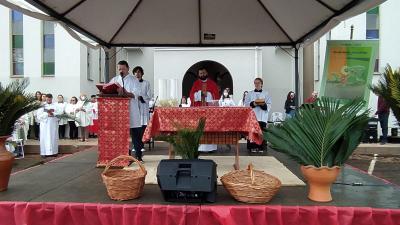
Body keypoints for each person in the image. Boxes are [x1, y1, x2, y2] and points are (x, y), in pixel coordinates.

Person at [110, 60, 143, 162]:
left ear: (128, 68)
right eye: (119, 69)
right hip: (119, 112)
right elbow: (109, 91)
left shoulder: (134, 80)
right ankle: (125, 155)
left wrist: (126, 92)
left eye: (123, 69)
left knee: (136, 135)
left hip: (132, 111)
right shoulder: (115, 80)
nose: (121, 71)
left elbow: (136, 94)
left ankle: (138, 155)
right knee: (121, 136)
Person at [189, 67, 219, 152]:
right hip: (198, 110)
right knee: (198, 127)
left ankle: (211, 148)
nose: (202, 74)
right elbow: (191, 95)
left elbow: (216, 95)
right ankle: (198, 147)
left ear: (207, 73)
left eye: (204, 73)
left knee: (209, 127)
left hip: (209, 110)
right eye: (200, 73)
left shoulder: (212, 83)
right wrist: (200, 94)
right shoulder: (196, 83)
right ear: (198, 74)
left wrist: (208, 94)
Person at [245, 78, 272, 152]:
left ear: (261, 84)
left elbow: (269, 105)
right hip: (253, 117)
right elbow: (246, 105)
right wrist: (253, 103)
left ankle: (261, 147)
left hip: (262, 116)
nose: (256, 84)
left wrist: (262, 104)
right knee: (253, 132)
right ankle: (252, 147)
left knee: (261, 133)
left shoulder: (266, 94)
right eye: (255, 83)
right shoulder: (250, 94)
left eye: (258, 83)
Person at [133, 66, 152, 153]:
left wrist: (142, 98)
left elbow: (149, 95)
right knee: (135, 127)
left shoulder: (146, 83)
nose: (137, 74)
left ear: (142, 73)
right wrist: (137, 97)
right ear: (134, 73)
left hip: (143, 107)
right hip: (135, 107)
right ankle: (135, 145)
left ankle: (141, 145)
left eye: (139, 72)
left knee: (143, 127)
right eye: (136, 72)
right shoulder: (132, 83)